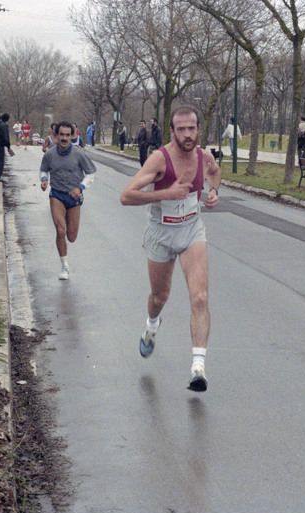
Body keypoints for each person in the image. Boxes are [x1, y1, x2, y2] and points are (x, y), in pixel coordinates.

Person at [119, 106, 221, 392]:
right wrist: (166, 193)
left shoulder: (204, 157)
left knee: (200, 297)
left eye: (192, 128)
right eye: (181, 129)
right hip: (160, 232)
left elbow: (215, 173)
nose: (187, 134)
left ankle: (198, 368)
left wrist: (214, 192)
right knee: (160, 296)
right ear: (172, 131)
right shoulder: (159, 159)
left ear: (198, 129)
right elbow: (126, 196)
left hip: (191, 229)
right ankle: (152, 325)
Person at [40, 121, 97, 280]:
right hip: (57, 194)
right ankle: (64, 266)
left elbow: (91, 173)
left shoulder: (79, 154)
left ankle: (66, 249)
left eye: (67, 135)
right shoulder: (50, 154)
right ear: (56, 135)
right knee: (60, 230)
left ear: (72, 136)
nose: (64, 138)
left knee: (71, 237)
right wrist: (44, 180)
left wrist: (80, 187)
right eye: (61, 135)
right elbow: (43, 169)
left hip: (74, 197)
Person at [0, 113, 14, 181]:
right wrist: (8, 146)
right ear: (7, 119)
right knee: (0, 160)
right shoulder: (4, 126)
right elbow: (5, 137)